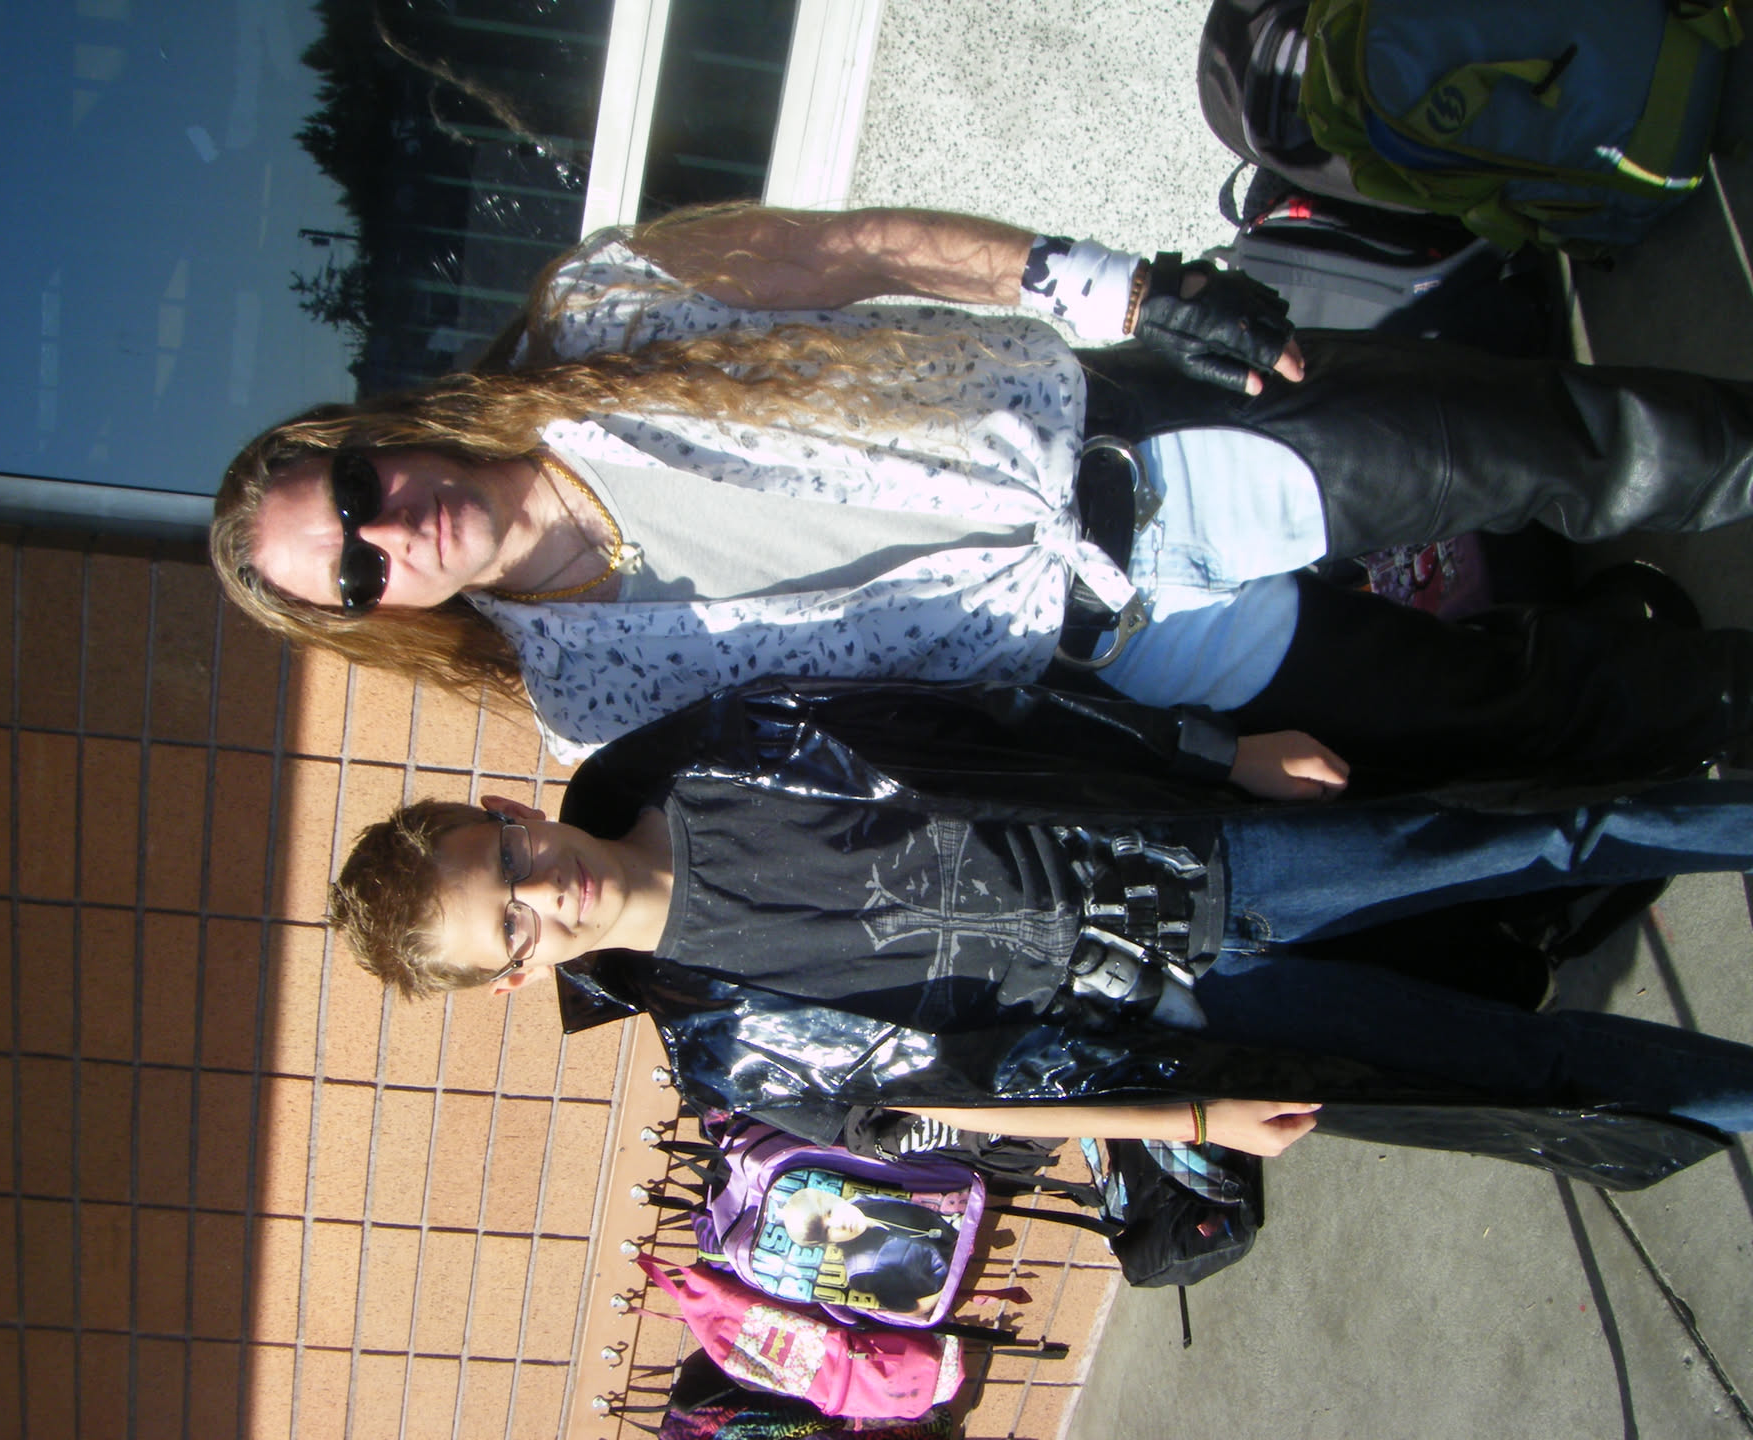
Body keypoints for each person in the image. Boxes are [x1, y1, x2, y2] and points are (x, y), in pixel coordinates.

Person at [213, 205, 1753, 787]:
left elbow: (856, 250)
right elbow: (906, 767)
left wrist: (1132, 290)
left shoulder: (600, 313)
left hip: (1135, 450)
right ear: (371, 618)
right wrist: (1196, 759)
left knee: (1559, 446)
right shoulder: (590, 712)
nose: (384, 529)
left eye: (352, 485)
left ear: (373, 431)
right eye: (352, 570)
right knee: (1505, 717)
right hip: (1134, 656)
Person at [327, 677, 1753, 1188]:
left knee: (1544, 839)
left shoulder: (734, 745)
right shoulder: (728, 1054)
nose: (543, 893)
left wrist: (1218, 751)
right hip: (1189, 1020)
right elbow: (966, 1104)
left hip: (1208, 856)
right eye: (510, 926)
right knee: (1520, 1067)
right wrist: (1192, 1116)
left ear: (509, 811)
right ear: (514, 976)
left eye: (509, 859)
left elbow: (995, 709)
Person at [775, 1187, 960, 1317]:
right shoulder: (864, 1270)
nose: (839, 1224)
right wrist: (953, 1282)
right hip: (959, 1281)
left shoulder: (864, 1201)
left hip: (960, 1228)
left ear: (834, 1197)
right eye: (827, 1230)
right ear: (827, 1242)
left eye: (830, 1212)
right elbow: (913, 1309)